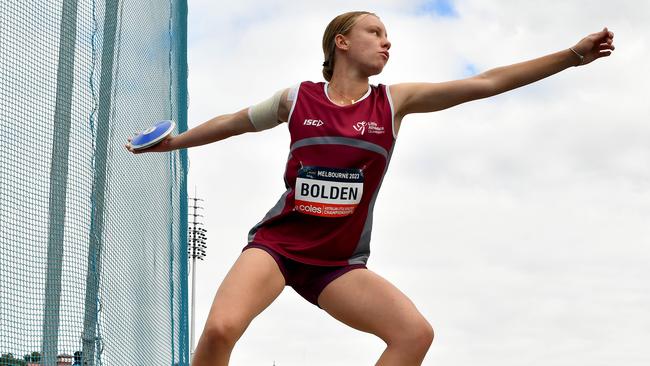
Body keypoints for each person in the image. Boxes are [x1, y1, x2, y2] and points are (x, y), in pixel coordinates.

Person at [125, 11, 614, 366]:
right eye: (375, 32)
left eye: (388, 36)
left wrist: (572, 57)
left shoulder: (395, 103)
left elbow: (486, 82)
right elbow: (234, 122)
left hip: (338, 264)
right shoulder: (298, 98)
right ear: (341, 41)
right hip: (277, 247)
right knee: (219, 330)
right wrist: (173, 144)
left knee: (414, 335)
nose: (386, 43)